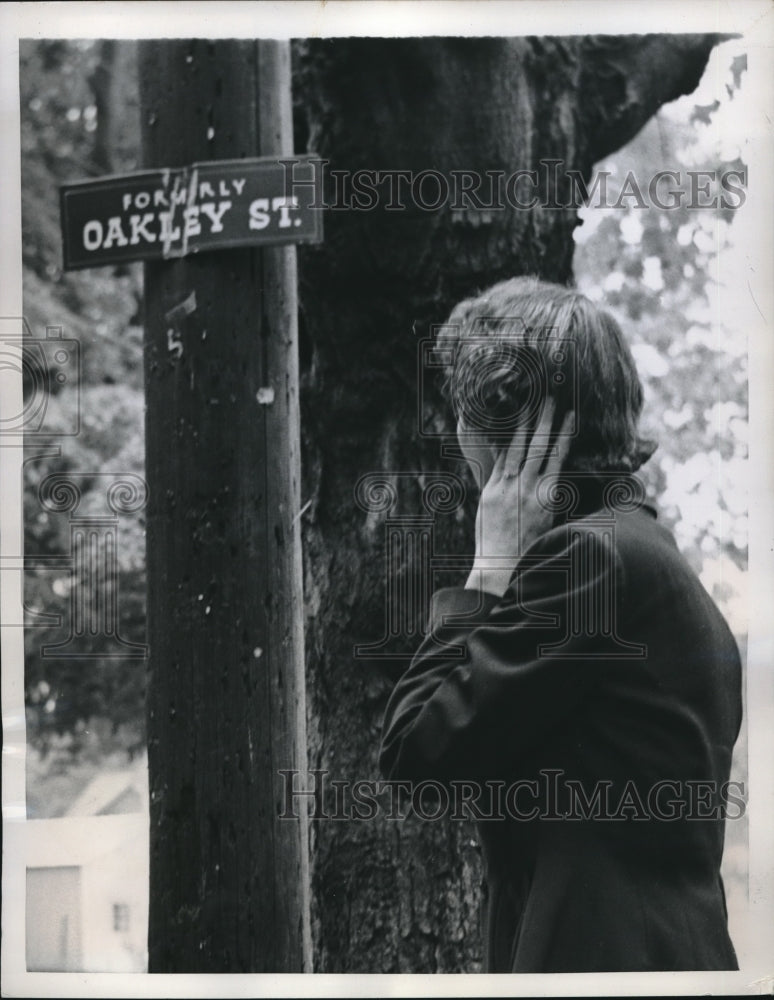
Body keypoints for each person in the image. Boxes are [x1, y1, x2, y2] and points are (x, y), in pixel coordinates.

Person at [379, 276, 742, 973]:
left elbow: (415, 757)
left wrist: (488, 566)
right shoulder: (640, 550)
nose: (457, 439)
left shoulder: (587, 560)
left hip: (599, 966)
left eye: (462, 415)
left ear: (506, 443)